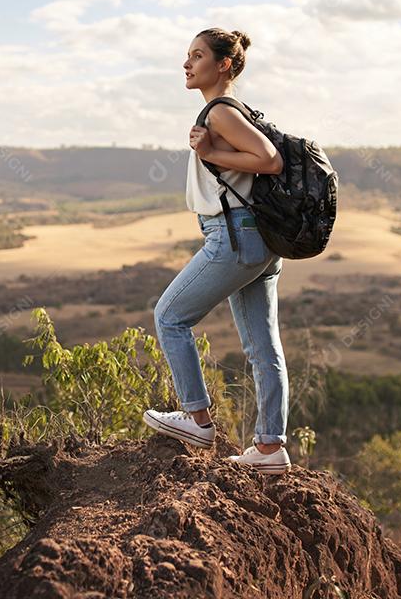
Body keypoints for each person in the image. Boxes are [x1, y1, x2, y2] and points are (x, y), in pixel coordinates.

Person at [142, 27, 292, 474]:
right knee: (263, 347)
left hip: (234, 237)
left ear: (223, 65)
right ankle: (269, 449)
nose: (187, 64)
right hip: (258, 239)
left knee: (169, 317)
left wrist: (211, 152)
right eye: (187, 55)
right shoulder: (233, 111)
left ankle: (197, 419)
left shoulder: (221, 113)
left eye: (198, 55)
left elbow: (270, 160)